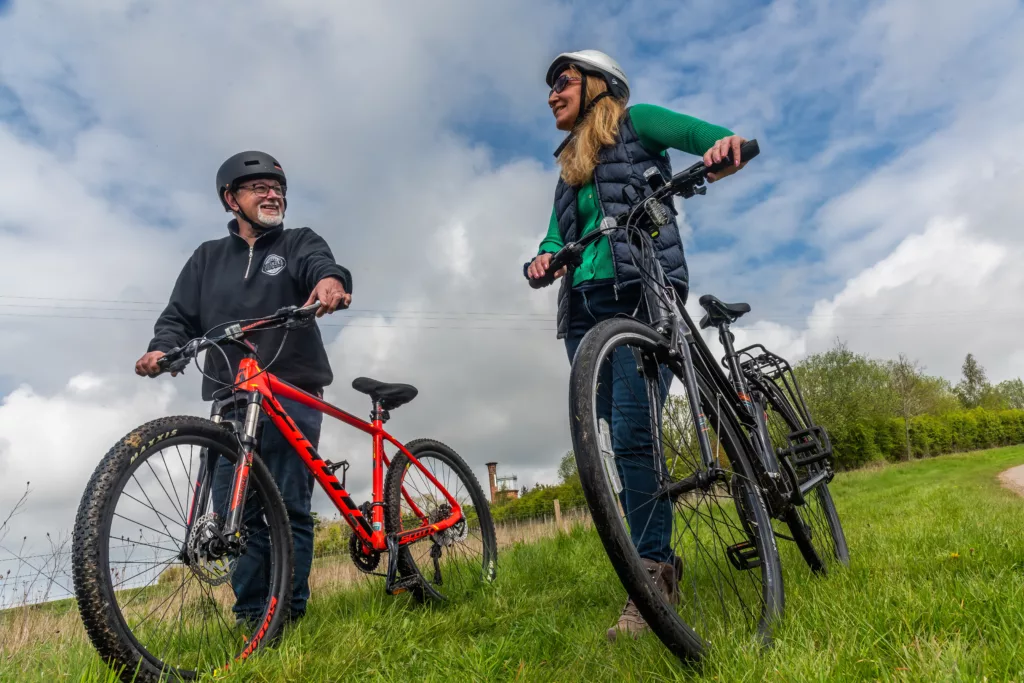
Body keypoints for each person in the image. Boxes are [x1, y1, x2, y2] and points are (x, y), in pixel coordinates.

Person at [525, 50, 749, 641]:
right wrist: (545, 257)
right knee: (609, 438)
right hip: (586, 307)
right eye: (550, 87)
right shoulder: (568, 168)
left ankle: (652, 571)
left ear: (598, 86)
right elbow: (556, 233)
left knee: (631, 429)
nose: (552, 93)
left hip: (641, 288)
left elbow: (704, 135)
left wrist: (723, 149)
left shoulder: (637, 121)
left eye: (563, 82)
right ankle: (653, 554)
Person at [135, 150, 353, 626]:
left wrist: (331, 282)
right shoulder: (207, 258)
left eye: (277, 188)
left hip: (290, 386)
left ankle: (287, 614)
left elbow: (321, 265)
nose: (272, 194)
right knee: (235, 513)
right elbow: (178, 317)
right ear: (231, 199)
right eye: (258, 188)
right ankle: (253, 615)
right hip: (229, 394)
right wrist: (162, 348)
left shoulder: (296, 242)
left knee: (290, 505)